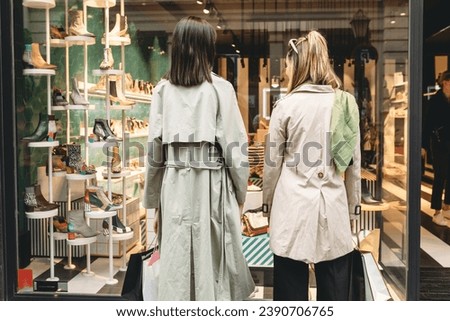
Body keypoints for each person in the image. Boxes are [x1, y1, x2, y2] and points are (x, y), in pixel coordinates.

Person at [142, 16, 255, 301]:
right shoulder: (220, 89)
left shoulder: (162, 91)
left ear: (178, 47)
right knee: (212, 260)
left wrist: (153, 202)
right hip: (211, 186)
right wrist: (240, 192)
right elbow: (235, 148)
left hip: (175, 185)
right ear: (206, 49)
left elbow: (155, 151)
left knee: (176, 259)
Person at [262, 30, 361, 301]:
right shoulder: (345, 102)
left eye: (288, 63)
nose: (286, 68)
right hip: (332, 205)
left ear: (299, 65)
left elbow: (272, 166)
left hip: (292, 208)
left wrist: (268, 206)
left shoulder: (286, 106)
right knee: (336, 292)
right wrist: (353, 209)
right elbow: (353, 165)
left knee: (290, 295)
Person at [424, 70, 450, 227]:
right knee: (440, 175)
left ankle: (447, 205)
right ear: (444, 83)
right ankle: (436, 211)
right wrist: (424, 145)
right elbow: (428, 123)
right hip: (439, 143)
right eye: (448, 83)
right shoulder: (435, 100)